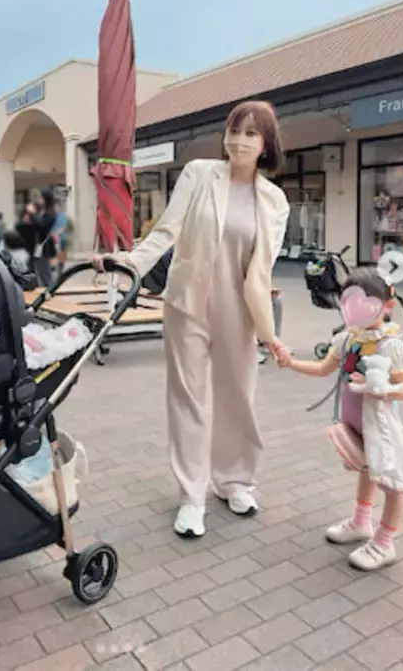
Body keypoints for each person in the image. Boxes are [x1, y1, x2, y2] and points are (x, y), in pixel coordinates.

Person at [94, 100, 290, 537]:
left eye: (251, 133)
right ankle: (192, 496)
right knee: (189, 401)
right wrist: (129, 263)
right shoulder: (199, 174)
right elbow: (166, 230)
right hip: (188, 305)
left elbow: (261, 271)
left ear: (266, 144)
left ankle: (235, 481)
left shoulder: (274, 200)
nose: (239, 140)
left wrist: (269, 334)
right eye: (234, 131)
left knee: (238, 398)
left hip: (239, 310)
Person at [277, 267, 403, 571]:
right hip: (356, 425)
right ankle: (361, 522)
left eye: (363, 303)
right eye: (348, 302)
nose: (353, 310)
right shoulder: (347, 340)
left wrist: (380, 389)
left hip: (381, 428)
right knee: (367, 471)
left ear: (387, 305)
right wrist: (291, 363)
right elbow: (323, 368)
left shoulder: (389, 346)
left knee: (393, 484)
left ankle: (384, 543)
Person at [33, 188, 58, 288]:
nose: (38, 199)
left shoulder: (50, 214)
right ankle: (44, 291)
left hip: (44, 246)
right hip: (37, 246)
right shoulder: (40, 212)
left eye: (40, 197)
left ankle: (49, 292)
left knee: (45, 274)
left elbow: (41, 227)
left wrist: (32, 216)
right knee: (39, 273)